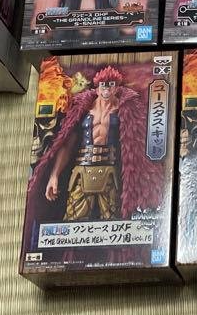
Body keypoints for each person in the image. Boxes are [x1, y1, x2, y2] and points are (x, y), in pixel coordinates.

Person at [30, 65, 149, 222]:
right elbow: (67, 144)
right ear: (97, 88)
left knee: (112, 220)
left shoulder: (125, 110)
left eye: (111, 85)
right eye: (103, 85)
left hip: (111, 173)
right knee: (73, 220)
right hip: (81, 171)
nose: (106, 89)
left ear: (116, 88)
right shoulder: (83, 110)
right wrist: (54, 175)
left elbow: (136, 145)